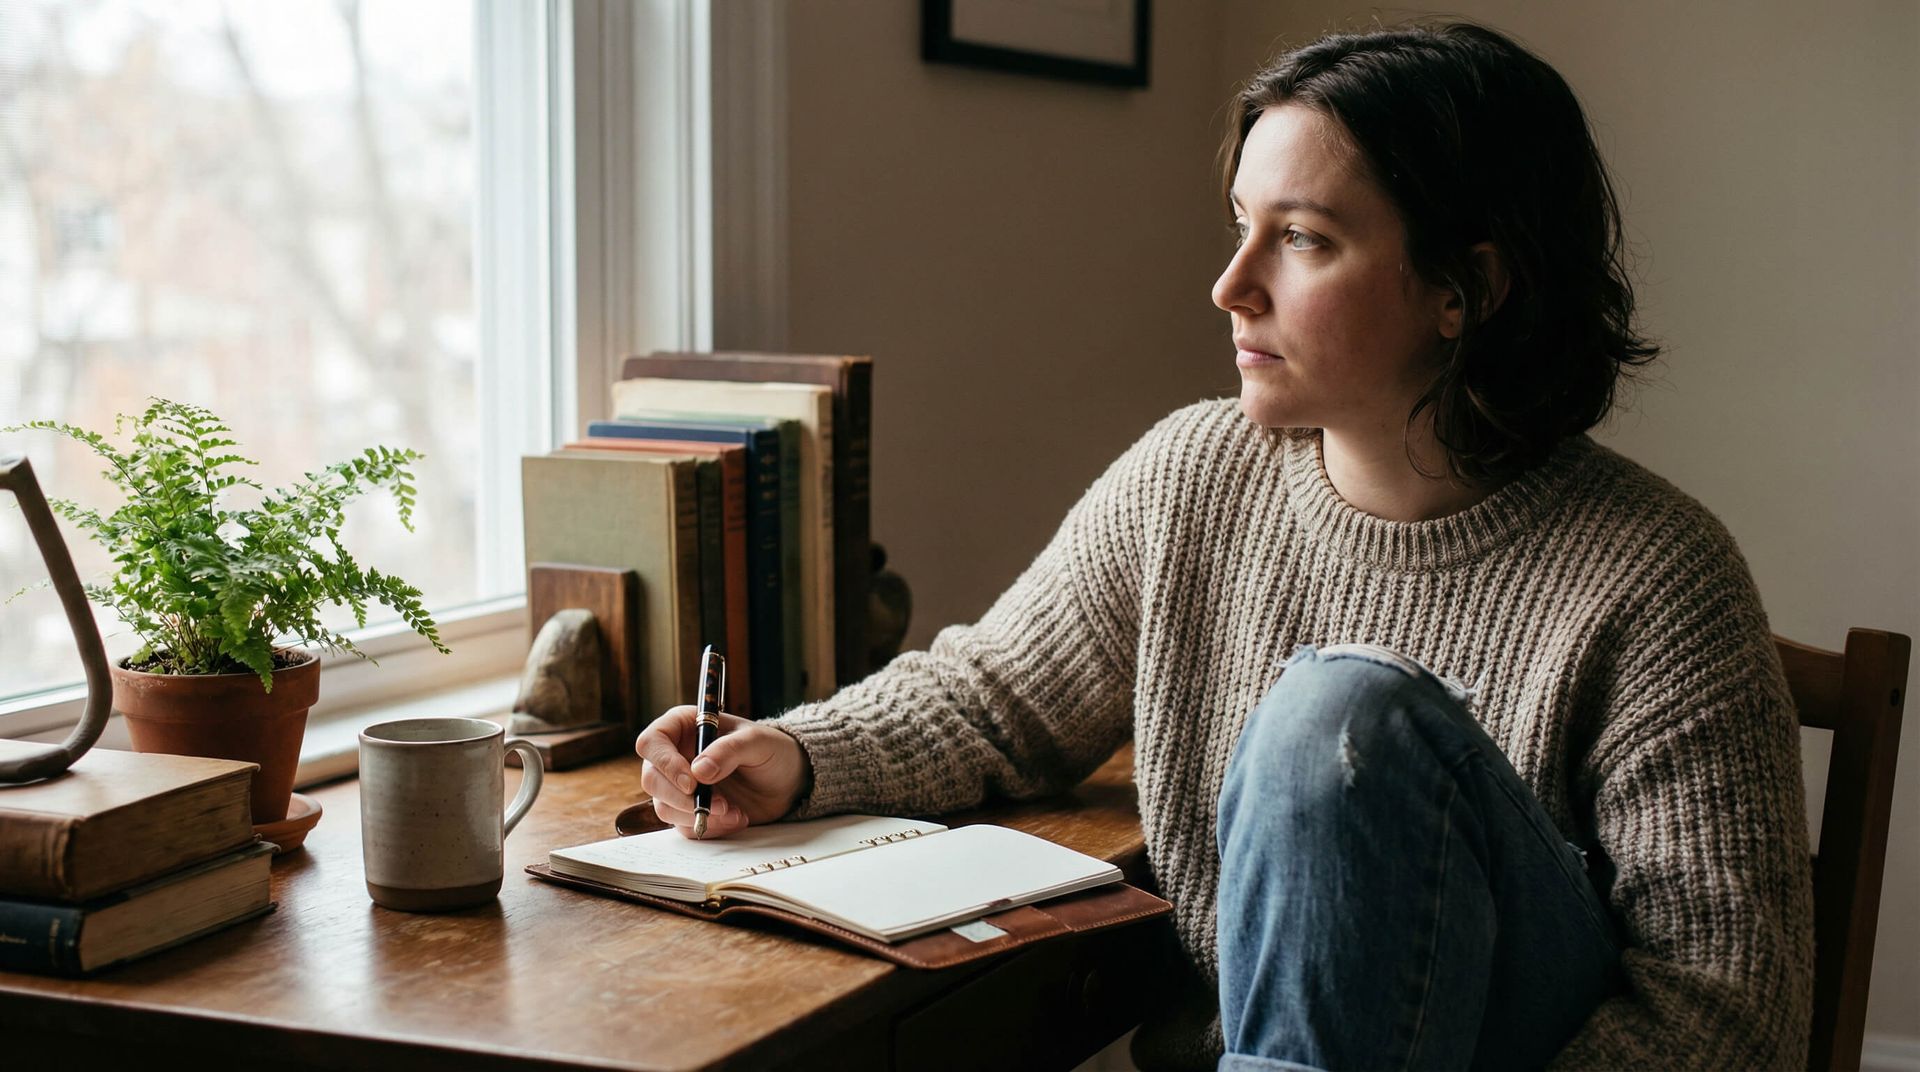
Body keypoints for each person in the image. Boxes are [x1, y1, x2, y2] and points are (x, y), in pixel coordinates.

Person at [634, 18, 1813, 1071]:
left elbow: (1723, 1017)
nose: (1228, 286)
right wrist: (791, 753)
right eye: (1242, 227)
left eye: (1300, 238)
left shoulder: (1660, 577)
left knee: (1339, 717)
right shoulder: (1195, 476)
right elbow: (994, 698)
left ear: (1470, 287)